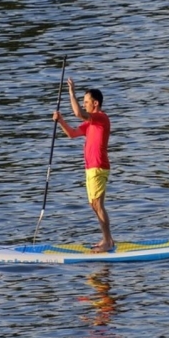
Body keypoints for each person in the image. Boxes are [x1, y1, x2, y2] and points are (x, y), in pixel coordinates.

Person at [53, 78, 113, 253]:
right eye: (84, 102)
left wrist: (71, 93)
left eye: (86, 102)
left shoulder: (101, 118)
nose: (84, 105)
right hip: (90, 168)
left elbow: (78, 113)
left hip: (98, 166)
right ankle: (108, 239)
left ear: (95, 103)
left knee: (98, 204)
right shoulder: (90, 123)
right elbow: (72, 133)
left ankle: (107, 241)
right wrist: (61, 120)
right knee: (94, 205)